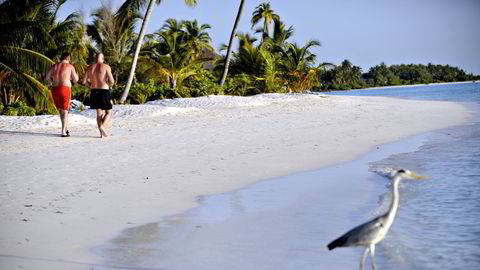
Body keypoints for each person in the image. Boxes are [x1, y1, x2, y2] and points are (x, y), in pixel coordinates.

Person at [46, 52, 79, 137]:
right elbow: (76, 79)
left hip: (55, 89)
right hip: (65, 88)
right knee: (65, 110)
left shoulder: (54, 66)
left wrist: (52, 83)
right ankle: (63, 132)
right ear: (69, 59)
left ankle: (65, 128)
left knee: (61, 110)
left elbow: (47, 78)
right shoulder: (70, 66)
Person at [83, 53, 115, 138]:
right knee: (109, 112)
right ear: (103, 58)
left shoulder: (89, 67)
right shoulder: (106, 67)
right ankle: (102, 127)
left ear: (95, 58)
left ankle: (101, 134)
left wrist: (91, 86)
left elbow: (84, 82)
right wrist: (109, 85)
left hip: (94, 91)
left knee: (99, 113)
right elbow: (112, 80)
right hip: (104, 91)